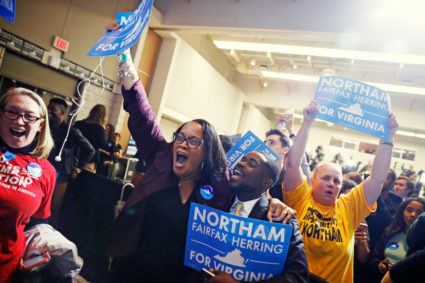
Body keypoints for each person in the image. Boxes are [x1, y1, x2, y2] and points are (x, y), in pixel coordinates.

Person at [106, 51, 294, 283]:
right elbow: (140, 112)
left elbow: (251, 191)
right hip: (130, 271)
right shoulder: (162, 158)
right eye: (180, 137)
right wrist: (125, 57)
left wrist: (272, 199)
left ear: (208, 152)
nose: (183, 144)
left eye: (194, 141)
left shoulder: (221, 183)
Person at [283, 100, 399, 283]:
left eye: (337, 181)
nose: (332, 184)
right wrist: (307, 122)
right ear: (312, 181)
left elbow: (377, 179)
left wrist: (388, 137)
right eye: (326, 178)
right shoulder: (301, 199)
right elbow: (292, 164)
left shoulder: (349, 207)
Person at [210, 151, 309, 282]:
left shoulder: (281, 220)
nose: (240, 163)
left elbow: (298, 277)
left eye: (251, 164)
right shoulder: (216, 203)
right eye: (243, 159)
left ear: (266, 182)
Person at [0, 87, 56, 282]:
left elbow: (38, 221)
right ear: (1, 114)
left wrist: (40, 249)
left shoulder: (46, 171)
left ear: (40, 125)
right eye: (12, 112)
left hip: (6, 268)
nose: (19, 120)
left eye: (29, 116)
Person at [47, 97, 95, 227]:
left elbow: (90, 150)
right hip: (43, 173)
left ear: (62, 112)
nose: (49, 111)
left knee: (52, 211)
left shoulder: (71, 131)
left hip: (61, 176)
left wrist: (77, 168)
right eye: (48, 107)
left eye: (53, 109)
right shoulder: (46, 128)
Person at [369, 197, 425, 281]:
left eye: (419, 212)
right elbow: (374, 258)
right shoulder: (389, 232)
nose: (413, 215)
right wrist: (381, 266)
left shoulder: (422, 243)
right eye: (409, 210)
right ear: (402, 211)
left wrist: (400, 269)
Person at [74, 104, 108, 172]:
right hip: (89, 159)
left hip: (74, 156)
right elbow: (104, 145)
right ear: (103, 116)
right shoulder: (99, 128)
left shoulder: (78, 123)